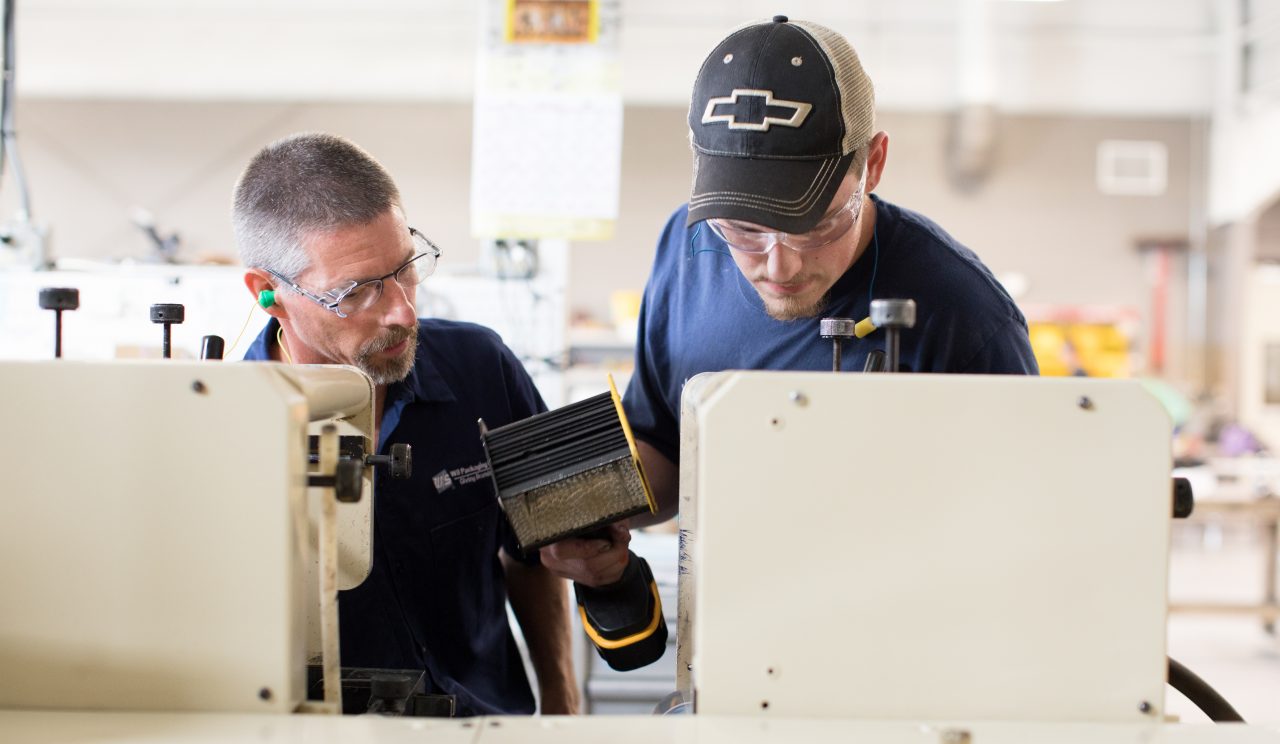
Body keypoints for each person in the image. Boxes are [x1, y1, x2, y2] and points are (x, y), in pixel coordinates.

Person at [544, 16, 1040, 587]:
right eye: (744, 229)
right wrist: (586, 517)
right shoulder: (686, 245)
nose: (779, 266)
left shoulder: (967, 317)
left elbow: (1018, 533)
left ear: (873, 165)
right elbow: (663, 441)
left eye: (816, 225)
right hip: (732, 622)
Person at [234, 132, 577, 716]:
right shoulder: (225, 427)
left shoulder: (482, 367)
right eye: (358, 292)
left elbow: (537, 552)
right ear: (269, 293)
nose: (402, 311)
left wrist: (563, 707)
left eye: (406, 268)